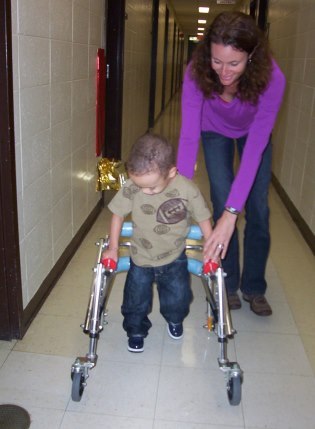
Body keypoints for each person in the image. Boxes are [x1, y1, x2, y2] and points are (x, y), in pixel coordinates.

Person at [177, 11, 286, 316]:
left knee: (258, 209)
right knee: (222, 198)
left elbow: (253, 153)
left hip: (254, 135)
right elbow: (188, 135)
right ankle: (228, 280)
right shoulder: (196, 71)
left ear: (251, 56)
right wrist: (182, 191)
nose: (224, 72)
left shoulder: (272, 78)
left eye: (234, 64)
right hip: (214, 131)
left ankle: (254, 286)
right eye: (217, 61)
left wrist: (232, 214)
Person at [102, 133, 212, 352]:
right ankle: (135, 330)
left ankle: (174, 319)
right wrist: (113, 248)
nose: (145, 192)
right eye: (139, 185)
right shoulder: (134, 186)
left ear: (171, 172)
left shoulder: (187, 190)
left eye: (151, 188)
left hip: (174, 257)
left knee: (178, 299)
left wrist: (210, 247)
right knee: (135, 302)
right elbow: (117, 215)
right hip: (140, 258)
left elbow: (203, 218)